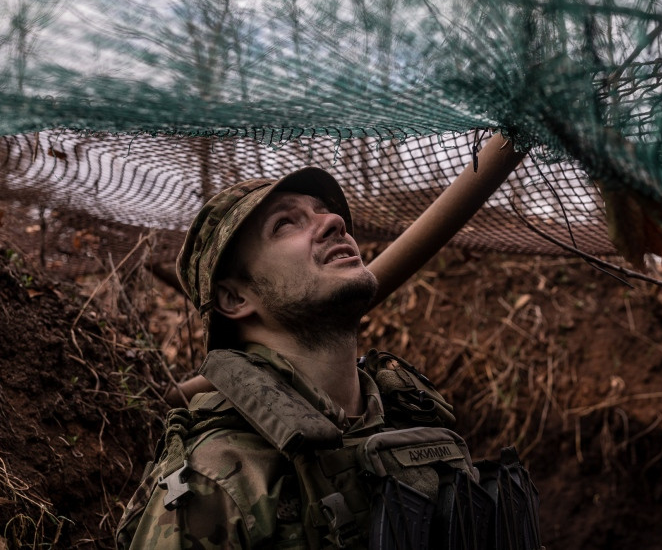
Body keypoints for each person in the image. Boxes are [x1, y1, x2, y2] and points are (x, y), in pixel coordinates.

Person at [116, 167, 539, 550]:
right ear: (234, 297)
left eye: (324, 211)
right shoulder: (219, 479)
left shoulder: (416, 419)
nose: (335, 222)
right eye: (286, 224)